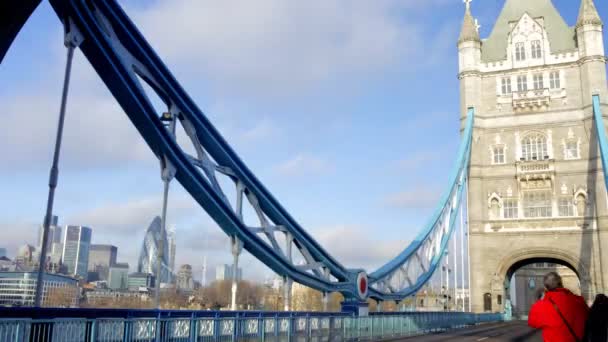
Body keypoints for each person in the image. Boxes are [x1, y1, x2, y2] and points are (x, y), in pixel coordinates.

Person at [528, 272, 589, 342]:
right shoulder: (579, 301)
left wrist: (536, 301)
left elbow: (532, 322)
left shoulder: (540, 306)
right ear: (561, 283)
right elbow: (587, 316)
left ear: (546, 287)